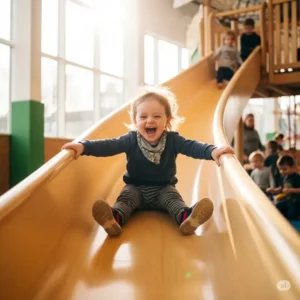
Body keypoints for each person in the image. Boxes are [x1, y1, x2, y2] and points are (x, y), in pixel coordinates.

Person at [62, 87, 234, 237]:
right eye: (143, 116)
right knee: (125, 200)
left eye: (157, 116)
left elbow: (193, 147)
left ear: (167, 120)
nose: (150, 120)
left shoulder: (172, 140)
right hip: (135, 187)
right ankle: (114, 219)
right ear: (135, 121)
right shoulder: (131, 139)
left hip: (163, 189)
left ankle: (186, 218)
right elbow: (108, 146)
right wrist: (83, 146)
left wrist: (213, 151)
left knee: (173, 200)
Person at [267, 155, 300, 220]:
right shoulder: (283, 177)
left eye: (284, 169)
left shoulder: (296, 177)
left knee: (292, 214)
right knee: (277, 207)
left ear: (292, 167)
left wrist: (291, 190)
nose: (282, 171)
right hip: (286, 200)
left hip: (296, 201)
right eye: (280, 169)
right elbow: (281, 188)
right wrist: (274, 190)